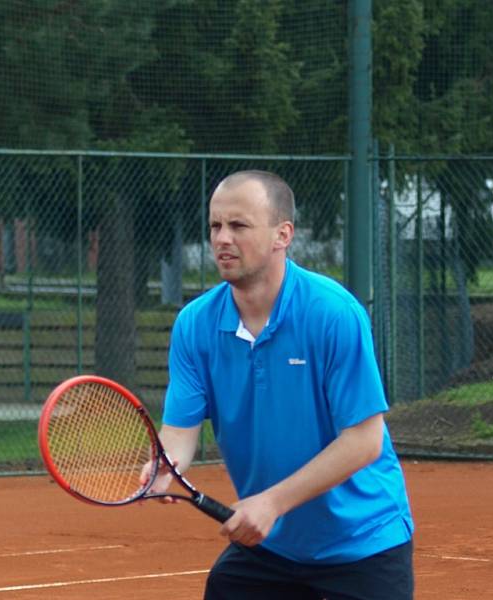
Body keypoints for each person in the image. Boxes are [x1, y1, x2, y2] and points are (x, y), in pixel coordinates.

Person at [148, 170, 414, 598]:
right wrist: (168, 464)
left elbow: (365, 441)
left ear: (282, 235)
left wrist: (271, 503)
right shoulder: (194, 326)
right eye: (216, 226)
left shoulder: (332, 313)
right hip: (270, 547)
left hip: (362, 544)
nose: (222, 239)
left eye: (239, 226)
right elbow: (179, 434)